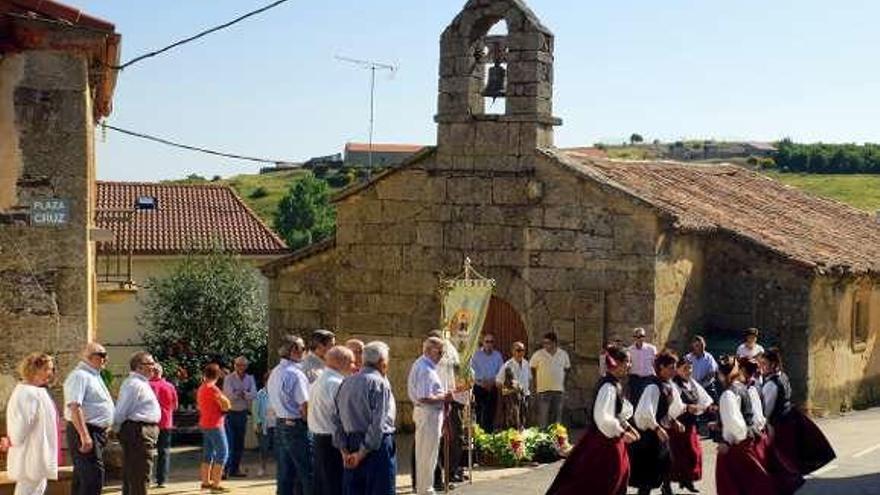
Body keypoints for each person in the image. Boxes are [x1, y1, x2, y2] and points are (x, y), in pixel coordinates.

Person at [546, 345, 639, 495]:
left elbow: (615, 413)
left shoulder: (613, 384)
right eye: (627, 361)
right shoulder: (608, 386)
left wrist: (627, 427)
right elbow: (603, 417)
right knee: (599, 481)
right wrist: (621, 433)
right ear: (617, 363)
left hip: (607, 439)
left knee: (610, 477)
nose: (630, 365)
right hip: (603, 442)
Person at [333, 341, 397, 495]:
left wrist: (344, 451)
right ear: (382, 362)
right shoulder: (380, 383)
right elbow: (377, 424)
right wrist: (362, 453)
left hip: (350, 444)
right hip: (376, 447)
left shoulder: (346, 382)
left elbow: (336, 420)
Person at [759, 348, 835, 476]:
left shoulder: (771, 384)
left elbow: (766, 411)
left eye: (764, 364)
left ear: (773, 364)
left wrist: (765, 426)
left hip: (780, 423)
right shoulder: (783, 376)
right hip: (789, 417)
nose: (762, 367)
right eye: (761, 363)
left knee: (780, 457)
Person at [713, 356, 777, 495]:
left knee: (734, 486)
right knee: (752, 484)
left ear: (721, 375)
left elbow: (736, 425)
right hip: (750, 439)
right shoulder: (742, 387)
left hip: (739, 445)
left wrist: (727, 442)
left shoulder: (728, 394)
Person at [629, 351, 685, 495]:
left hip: (659, 435)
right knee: (648, 477)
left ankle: (667, 490)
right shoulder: (653, 386)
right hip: (650, 437)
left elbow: (665, 410)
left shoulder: (667, 384)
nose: (674, 371)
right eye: (671, 367)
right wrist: (657, 428)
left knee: (666, 466)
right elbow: (644, 413)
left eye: (675, 367)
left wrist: (674, 421)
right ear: (661, 367)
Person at [63, 343, 115, 495]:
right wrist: (84, 436)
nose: (106, 358)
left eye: (106, 354)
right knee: (92, 477)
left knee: (84, 477)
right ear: (88, 357)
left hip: (94, 431)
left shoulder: (93, 375)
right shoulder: (80, 375)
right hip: (85, 430)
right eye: (102, 355)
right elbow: (75, 406)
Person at [4, 353, 58, 495]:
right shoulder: (27, 393)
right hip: (31, 454)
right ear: (34, 370)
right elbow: (20, 428)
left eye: (51, 369)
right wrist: (12, 440)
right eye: (46, 369)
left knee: (36, 489)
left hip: (38, 453)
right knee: (28, 490)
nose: (50, 373)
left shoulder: (36, 391)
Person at [268, 335, 313, 495]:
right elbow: (305, 405)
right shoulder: (295, 373)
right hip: (296, 426)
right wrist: (310, 424)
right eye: (302, 348)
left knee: (285, 474)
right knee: (308, 472)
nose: (305, 352)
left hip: (280, 424)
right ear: (294, 350)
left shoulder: (275, 372)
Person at [408, 337, 451, 495]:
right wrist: (445, 397)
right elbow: (423, 397)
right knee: (427, 454)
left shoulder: (426, 366)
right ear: (428, 350)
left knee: (428, 453)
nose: (441, 355)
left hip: (430, 413)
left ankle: (425, 487)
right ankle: (425, 489)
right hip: (428, 413)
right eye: (439, 351)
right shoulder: (425, 368)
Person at [113, 352, 161, 495]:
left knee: (135, 474)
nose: (154, 367)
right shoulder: (134, 384)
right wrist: (115, 427)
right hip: (138, 431)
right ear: (139, 367)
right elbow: (122, 410)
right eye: (150, 364)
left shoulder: (140, 383)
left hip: (142, 431)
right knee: (140, 475)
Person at [309, 346, 354, 495]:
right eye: (351, 362)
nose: (353, 366)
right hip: (333, 441)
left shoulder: (320, 380)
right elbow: (343, 417)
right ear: (343, 362)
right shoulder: (337, 383)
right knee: (334, 484)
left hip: (319, 438)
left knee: (322, 484)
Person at [669, 357, 714, 494]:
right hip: (677, 425)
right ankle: (667, 484)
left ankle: (687, 480)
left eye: (690, 368)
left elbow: (704, 398)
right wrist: (687, 407)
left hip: (691, 424)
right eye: (685, 368)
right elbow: (674, 406)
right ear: (677, 369)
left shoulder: (693, 383)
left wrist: (708, 407)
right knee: (675, 456)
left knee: (694, 453)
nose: (689, 371)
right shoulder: (673, 384)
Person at [197, 363, 231, 493]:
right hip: (215, 424)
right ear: (217, 375)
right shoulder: (213, 388)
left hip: (205, 423)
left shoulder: (202, 388)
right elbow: (226, 405)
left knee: (208, 453)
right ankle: (216, 484)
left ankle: (205, 482)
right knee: (223, 452)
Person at [222, 356, 257, 478]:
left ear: (246, 366)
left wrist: (240, 393)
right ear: (234, 365)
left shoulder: (250, 378)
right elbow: (228, 395)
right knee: (229, 442)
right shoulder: (228, 378)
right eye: (238, 365)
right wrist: (243, 393)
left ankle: (235, 469)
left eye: (243, 365)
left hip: (242, 413)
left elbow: (254, 394)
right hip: (230, 413)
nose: (240, 367)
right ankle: (224, 470)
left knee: (239, 443)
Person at [530, 332, 571, 427]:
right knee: (543, 418)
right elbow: (532, 368)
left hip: (558, 390)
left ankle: (556, 439)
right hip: (543, 390)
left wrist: (563, 383)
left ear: (554, 343)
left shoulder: (563, 354)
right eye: (544, 343)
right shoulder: (538, 354)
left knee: (556, 419)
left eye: (548, 343)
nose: (545, 345)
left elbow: (567, 368)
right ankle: (543, 440)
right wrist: (536, 383)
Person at [148, 363, 178, 488]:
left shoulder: (147, 385)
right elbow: (175, 405)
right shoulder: (169, 386)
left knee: (148, 452)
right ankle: (162, 480)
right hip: (166, 422)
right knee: (164, 452)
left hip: (150, 422)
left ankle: (146, 478)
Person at [470, 333, 504, 432]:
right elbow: (472, 370)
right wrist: (482, 381)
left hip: (492, 387)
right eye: (487, 341)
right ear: (483, 343)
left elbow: (501, 371)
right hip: (479, 387)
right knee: (479, 412)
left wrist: (492, 381)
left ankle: (488, 435)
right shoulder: (476, 355)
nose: (489, 344)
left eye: (491, 342)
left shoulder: (497, 355)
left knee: (491, 412)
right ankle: (478, 435)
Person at [496, 341, 530, 430]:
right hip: (512, 400)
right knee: (513, 424)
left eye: (523, 350)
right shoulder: (507, 365)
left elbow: (529, 379)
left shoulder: (526, 363)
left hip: (525, 397)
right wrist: (510, 389)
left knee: (523, 422)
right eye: (518, 350)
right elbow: (498, 382)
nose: (521, 352)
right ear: (513, 351)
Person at [251, 372, 276, 477]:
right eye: (268, 381)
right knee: (264, 449)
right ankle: (262, 468)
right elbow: (255, 410)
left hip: (277, 425)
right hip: (263, 426)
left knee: (279, 449)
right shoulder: (259, 394)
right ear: (265, 382)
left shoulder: (278, 393)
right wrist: (257, 423)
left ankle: (281, 470)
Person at [626, 327, 658, 404]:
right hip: (635, 379)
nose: (639, 338)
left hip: (648, 378)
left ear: (644, 337)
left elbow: (655, 364)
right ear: (634, 337)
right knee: (635, 401)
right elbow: (628, 364)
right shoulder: (629, 350)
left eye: (641, 336)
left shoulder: (651, 349)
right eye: (637, 336)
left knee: (647, 401)